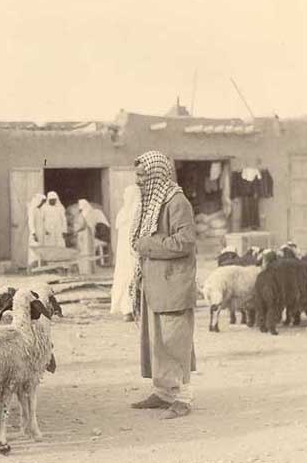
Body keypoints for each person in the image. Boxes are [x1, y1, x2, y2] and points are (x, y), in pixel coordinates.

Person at [128, 150, 197, 419]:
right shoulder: (152, 203)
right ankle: (165, 393)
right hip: (156, 285)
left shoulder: (177, 203)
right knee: (157, 342)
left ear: (157, 175)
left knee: (175, 341)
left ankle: (184, 397)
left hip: (173, 285)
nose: (138, 181)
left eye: (143, 175)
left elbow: (185, 242)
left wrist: (148, 245)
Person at [111, 185, 141, 321]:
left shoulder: (123, 212)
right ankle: (132, 309)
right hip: (132, 250)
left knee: (125, 277)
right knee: (133, 276)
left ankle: (127, 310)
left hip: (123, 252)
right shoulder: (137, 210)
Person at [75, 199, 110, 274]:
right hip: (88, 234)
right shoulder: (88, 212)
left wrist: (76, 231)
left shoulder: (86, 214)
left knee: (84, 251)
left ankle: (85, 270)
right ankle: (88, 269)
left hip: (85, 234)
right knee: (87, 251)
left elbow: (83, 225)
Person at [27, 193, 46, 267]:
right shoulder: (32, 209)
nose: (42, 204)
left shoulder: (39, 210)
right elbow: (31, 222)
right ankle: (32, 266)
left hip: (40, 233)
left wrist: (45, 231)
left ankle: (39, 266)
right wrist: (33, 233)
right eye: (42, 202)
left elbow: (42, 222)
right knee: (34, 249)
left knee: (40, 250)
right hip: (35, 234)